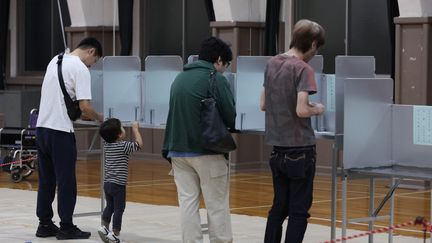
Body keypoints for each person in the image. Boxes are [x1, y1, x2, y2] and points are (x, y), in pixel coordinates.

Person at [162, 36, 236, 243]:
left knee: (188, 203)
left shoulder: (179, 78)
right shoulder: (215, 78)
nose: (225, 69)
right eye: (226, 65)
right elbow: (230, 116)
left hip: (177, 150)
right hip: (207, 151)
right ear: (219, 60)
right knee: (217, 205)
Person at [260, 19, 326, 243]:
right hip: (301, 150)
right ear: (314, 44)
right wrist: (317, 109)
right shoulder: (303, 68)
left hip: (277, 149)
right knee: (298, 211)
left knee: (279, 206)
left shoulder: (272, 63)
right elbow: (301, 109)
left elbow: (263, 104)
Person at [35, 37, 104, 240]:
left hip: (42, 128)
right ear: (91, 52)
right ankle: (66, 226)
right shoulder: (81, 69)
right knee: (66, 182)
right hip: (61, 132)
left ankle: (45, 224)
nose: (92, 66)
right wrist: (101, 118)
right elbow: (85, 107)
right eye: (95, 61)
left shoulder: (54, 60)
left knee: (46, 181)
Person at [97, 119, 143, 243]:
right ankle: (115, 234)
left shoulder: (106, 145)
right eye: (122, 127)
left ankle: (104, 227)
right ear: (119, 134)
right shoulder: (123, 146)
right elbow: (139, 144)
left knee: (110, 206)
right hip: (118, 185)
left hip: (107, 184)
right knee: (119, 209)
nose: (124, 128)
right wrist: (135, 129)